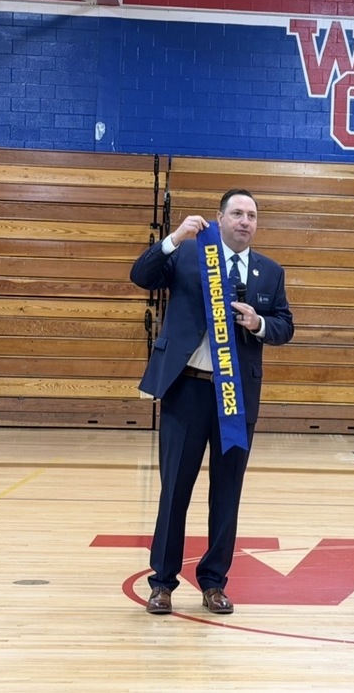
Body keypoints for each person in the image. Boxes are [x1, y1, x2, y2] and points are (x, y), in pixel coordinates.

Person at [131, 189, 295, 616]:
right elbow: (140, 276)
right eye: (237, 213)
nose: (245, 221)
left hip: (235, 397)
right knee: (174, 493)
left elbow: (285, 326)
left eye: (252, 215)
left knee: (227, 494)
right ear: (219, 218)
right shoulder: (189, 255)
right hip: (186, 390)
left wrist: (259, 323)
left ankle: (214, 583)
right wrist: (173, 237)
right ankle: (163, 583)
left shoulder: (269, 271)